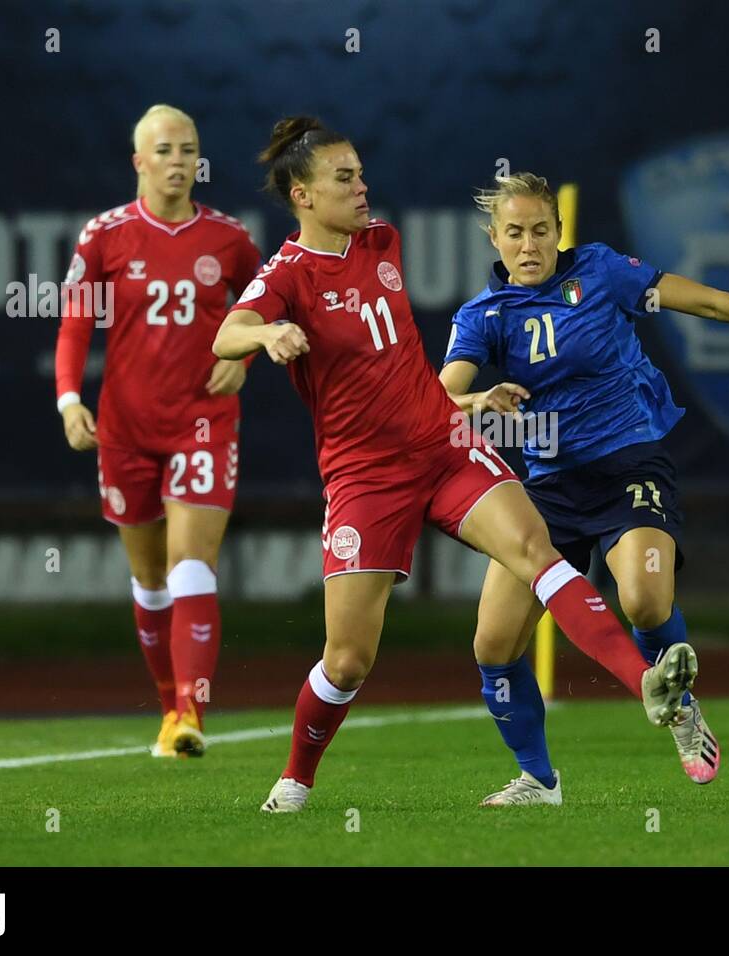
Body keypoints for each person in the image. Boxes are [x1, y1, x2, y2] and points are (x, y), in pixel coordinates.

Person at [211, 118, 699, 814]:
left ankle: (646, 684)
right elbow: (227, 335)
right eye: (343, 177)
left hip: (444, 448)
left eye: (359, 171)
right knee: (347, 659)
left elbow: (404, 376)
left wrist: (466, 403)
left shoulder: (380, 241)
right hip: (365, 478)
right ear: (302, 195)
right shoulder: (285, 277)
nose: (362, 185)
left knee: (539, 552)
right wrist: (266, 331)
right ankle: (296, 777)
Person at [440, 172, 729, 801]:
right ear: (495, 237)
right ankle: (538, 780)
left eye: (541, 230)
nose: (530, 244)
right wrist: (479, 398)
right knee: (492, 645)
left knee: (645, 600)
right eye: (515, 233)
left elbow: (705, 301)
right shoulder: (482, 316)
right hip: (545, 491)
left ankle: (681, 707)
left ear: (559, 232)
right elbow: (442, 396)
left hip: (629, 467)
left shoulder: (601, 272)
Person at [55, 104, 261, 757]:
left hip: (204, 422)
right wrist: (68, 400)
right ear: (139, 161)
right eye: (165, 150)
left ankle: (192, 709)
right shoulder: (104, 235)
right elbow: (75, 323)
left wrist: (244, 356)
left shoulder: (229, 239)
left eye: (189, 149)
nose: (179, 161)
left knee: (191, 565)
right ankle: (171, 708)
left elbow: (267, 305)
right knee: (149, 581)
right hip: (126, 428)